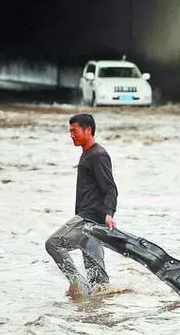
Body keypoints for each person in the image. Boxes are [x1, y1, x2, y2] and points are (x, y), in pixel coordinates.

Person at [45, 114, 118, 298]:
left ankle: (77, 282)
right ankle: (98, 315)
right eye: (70, 131)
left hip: (89, 219)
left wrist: (109, 213)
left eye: (74, 131)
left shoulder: (98, 155)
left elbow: (110, 188)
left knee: (53, 244)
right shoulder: (88, 153)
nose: (71, 135)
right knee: (99, 285)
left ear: (88, 130)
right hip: (93, 222)